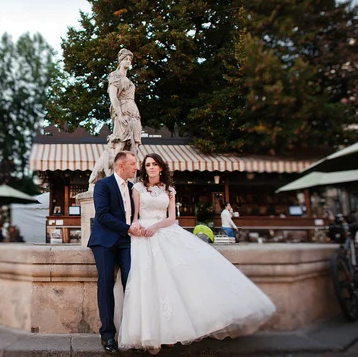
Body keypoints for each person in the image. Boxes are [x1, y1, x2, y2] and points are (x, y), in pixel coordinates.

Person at [118, 153, 276, 354]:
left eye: (154, 164)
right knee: (149, 282)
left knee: (177, 280)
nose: (150, 167)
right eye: (147, 164)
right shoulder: (138, 188)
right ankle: (151, 333)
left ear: (160, 168)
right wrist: (137, 226)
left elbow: (171, 218)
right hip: (143, 238)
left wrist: (156, 227)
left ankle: (172, 332)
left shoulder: (169, 190)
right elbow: (134, 216)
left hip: (164, 230)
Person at [88, 150, 139, 354]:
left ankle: (131, 333)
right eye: (133, 164)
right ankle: (108, 335)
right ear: (121, 166)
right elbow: (102, 215)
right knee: (106, 282)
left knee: (133, 282)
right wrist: (127, 228)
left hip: (127, 242)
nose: (136, 167)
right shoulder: (103, 184)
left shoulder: (133, 187)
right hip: (105, 241)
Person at [108, 49, 142, 161]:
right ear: (120, 61)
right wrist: (120, 114)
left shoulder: (129, 80)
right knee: (121, 141)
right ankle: (115, 170)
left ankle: (132, 170)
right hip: (123, 110)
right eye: (125, 59)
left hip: (134, 113)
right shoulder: (115, 76)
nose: (128, 61)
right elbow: (113, 96)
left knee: (135, 144)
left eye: (130, 59)